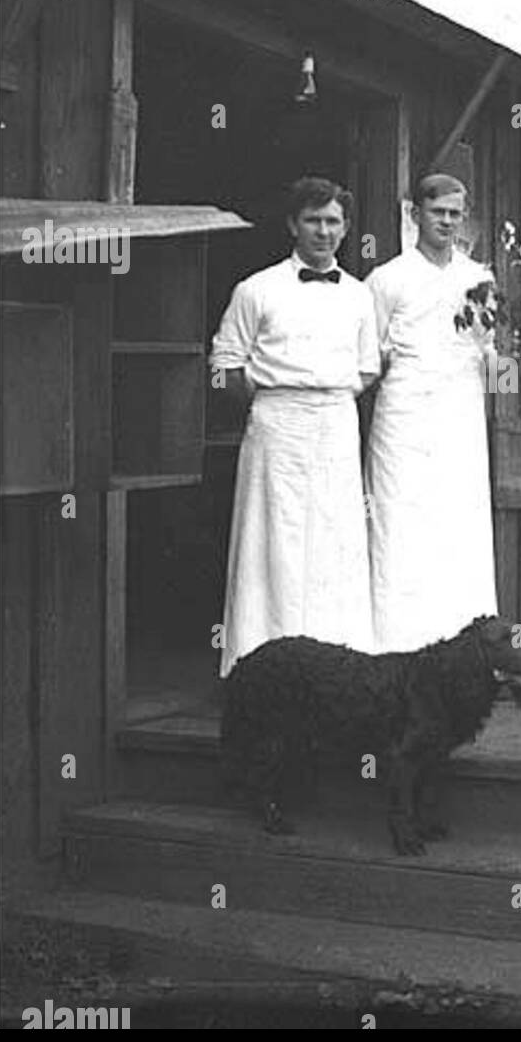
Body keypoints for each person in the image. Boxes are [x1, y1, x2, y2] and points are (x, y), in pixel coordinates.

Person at [210, 177, 379, 679]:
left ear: (345, 228)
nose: (323, 232)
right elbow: (224, 364)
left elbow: (368, 367)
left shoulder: (359, 296)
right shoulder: (255, 289)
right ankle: (259, 670)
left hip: (335, 425)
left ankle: (338, 669)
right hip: (276, 424)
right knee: (271, 541)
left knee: (336, 543)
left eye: (333, 222)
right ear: (292, 224)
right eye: (313, 220)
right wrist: (272, 401)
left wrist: (325, 398)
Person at [364, 173, 498, 652]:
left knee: (459, 521)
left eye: (454, 213)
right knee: (402, 522)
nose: (446, 221)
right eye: (437, 211)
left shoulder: (479, 279)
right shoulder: (386, 279)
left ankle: (465, 648)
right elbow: (368, 357)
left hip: (460, 414)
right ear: (415, 213)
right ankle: (398, 646)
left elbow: (489, 352)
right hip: (403, 416)